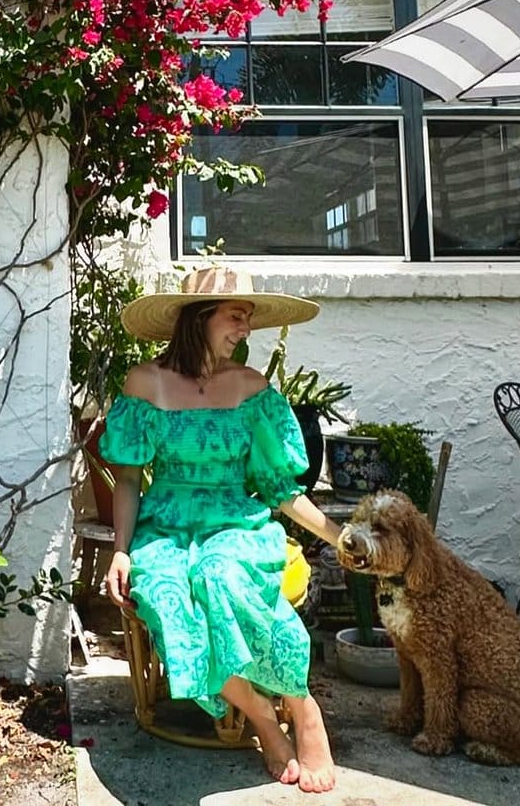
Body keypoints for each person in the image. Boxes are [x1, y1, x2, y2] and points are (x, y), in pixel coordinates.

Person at [100, 267, 343, 793]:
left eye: (249, 318)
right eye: (237, 315)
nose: (245, 329)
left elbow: (279, 489)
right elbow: (126, 481)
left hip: (235, 523)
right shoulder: (145, 383)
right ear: (202, 317)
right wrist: (121, 552)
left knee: (218, 576)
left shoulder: (252, 389)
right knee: (164, 593)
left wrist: (338, 537)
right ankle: (261, 718)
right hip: (163, 525)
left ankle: (303, 710)